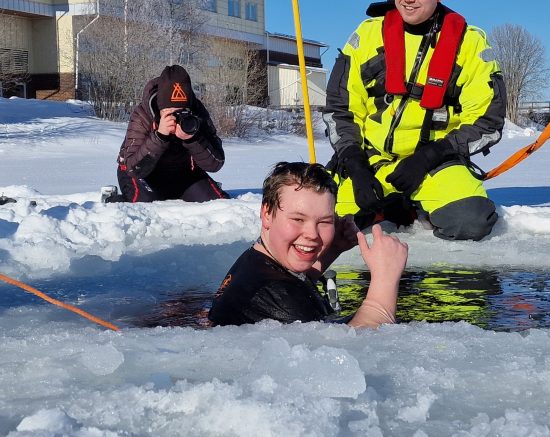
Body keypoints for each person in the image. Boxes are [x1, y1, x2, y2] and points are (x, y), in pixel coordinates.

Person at [323, 0, 507, 241]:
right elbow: (340, 109)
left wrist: (430, 157)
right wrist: (354, 162)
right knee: (332, 229)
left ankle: (411, 206)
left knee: (470, 222)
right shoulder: (367, 36)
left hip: (435, 164)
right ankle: (392, 208)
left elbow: (488, 121)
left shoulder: (469, 44)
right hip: (371, 163)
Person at [208, 162, 408, 328]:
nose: (312, 234)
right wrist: (385, 279)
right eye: (298, 219)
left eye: (324, 222)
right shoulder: (279, 296)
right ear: (267, 214)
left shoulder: (257, 262)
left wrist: (333, 250)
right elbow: (350, 357)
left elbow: (293, 283)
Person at [113, 65, 229, 203]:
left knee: (215, 203)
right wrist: (159, 136)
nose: (177, 118)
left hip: (182, 172)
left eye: (182, 112)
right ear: (160, 108)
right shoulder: (143, 115)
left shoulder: (197, 115)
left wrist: (193, 140)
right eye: (170, 113)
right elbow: (134, 168)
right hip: (143, 174)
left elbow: (216, 163)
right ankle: (114, 200)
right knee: (147, 204)